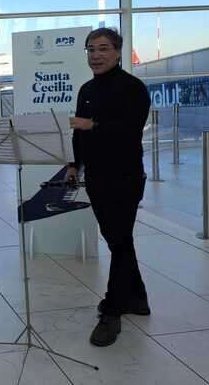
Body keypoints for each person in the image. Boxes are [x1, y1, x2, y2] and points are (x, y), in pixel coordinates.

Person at [66, 27, 151, 347]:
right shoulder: (86, 89)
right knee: (119, 239)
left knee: (118, 238)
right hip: (97, 176)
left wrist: (94, 125)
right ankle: (138, 298)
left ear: (118, 52)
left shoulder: (133, 88)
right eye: (90, 49)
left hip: (126, 176)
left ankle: (113, 310)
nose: (95, 55)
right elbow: (78, 133)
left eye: (103, 49)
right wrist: (75, 164)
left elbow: (131, 130)